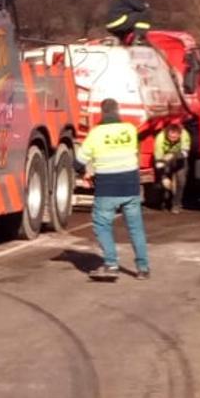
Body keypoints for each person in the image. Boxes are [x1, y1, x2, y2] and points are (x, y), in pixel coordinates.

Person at [75, 97, 150, 281]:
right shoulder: (130, 130)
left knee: (102, 225)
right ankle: (143, 268)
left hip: (107, 187)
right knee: (135, 228)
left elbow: (77, 161)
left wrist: (85, 173)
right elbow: (134, 154)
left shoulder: (96, 133)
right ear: (118, 111)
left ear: (103, 113)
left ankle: (111, 264)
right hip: (131, 186)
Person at [153, 118, 191, 212]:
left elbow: (185, 153)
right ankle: (164, 201)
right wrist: (164, 177)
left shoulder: (185, 134)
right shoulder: (160, 138)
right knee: (163, 183)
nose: (173, 140)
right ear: (167, 134)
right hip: (164, 159)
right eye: (170, 137)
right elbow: (159, 161)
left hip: (179, 158)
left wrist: (172, 155)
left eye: (175, 138)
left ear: (179, 134)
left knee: (181, 181)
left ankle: (176, 204)